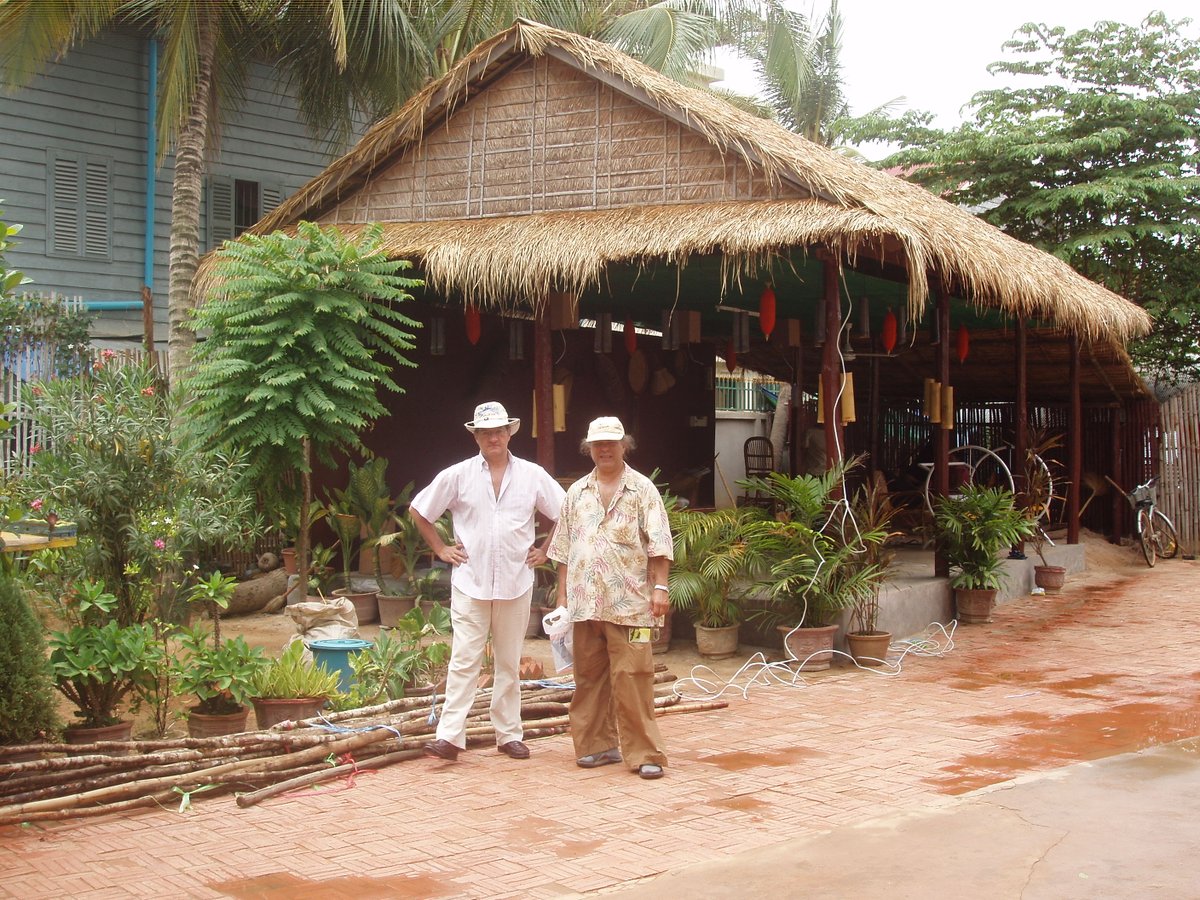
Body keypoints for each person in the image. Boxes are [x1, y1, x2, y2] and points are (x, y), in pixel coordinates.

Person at [412, 401, 565, 762]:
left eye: (499, 431)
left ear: (509, 433)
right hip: (471, 581)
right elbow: (420, 510)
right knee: (464, 660)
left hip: (516, 581)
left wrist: (546, 551)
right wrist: (440, 548)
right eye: (485, 432)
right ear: (476, 437)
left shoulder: (532, 475)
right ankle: (449, 737)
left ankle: (509, 735)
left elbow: (566, 512)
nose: (493, 438)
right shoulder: (458, 475)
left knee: (509, 663)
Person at [547, 416, 673, 780]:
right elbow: (564, 550)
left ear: (624, 446)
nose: (604, 449)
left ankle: (645, 753)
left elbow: (660, 543)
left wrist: (661, 588)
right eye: (598, 444)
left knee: (634, 676)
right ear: (589, 448)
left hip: (631, 606)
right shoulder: (576, 493)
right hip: (585, 605)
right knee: (588, 678)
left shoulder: (642, 489)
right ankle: (595, 746)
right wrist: (562, 600)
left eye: (611, 443)